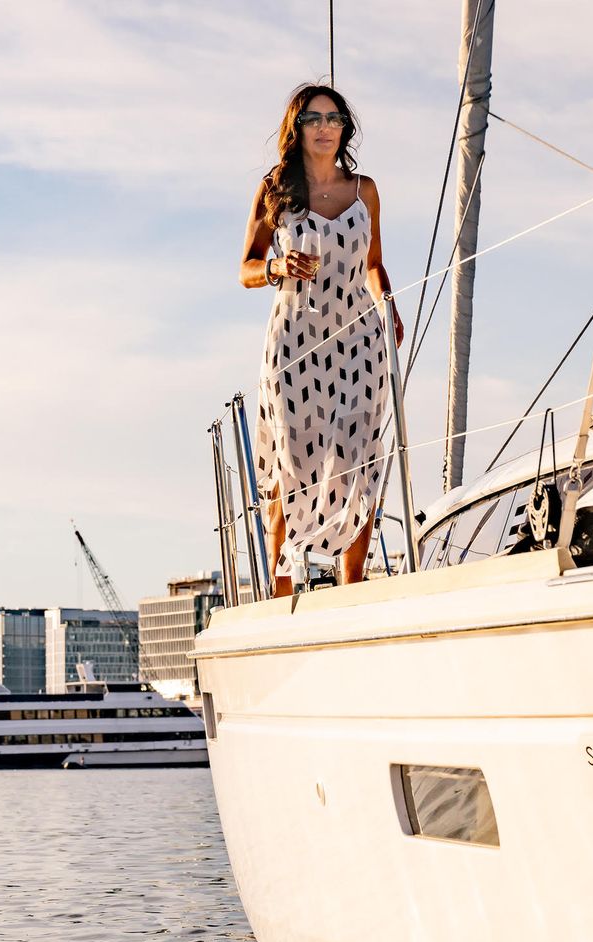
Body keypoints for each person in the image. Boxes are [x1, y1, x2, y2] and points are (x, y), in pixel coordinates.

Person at [239, 83, 402, 597]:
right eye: (313, 119)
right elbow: (245, 267)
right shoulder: (275, 191)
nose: (325, 128)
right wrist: (275, 266)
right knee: (291, 461)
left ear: (344, 128)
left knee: (360, 459)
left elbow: (373, 265)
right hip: (295, 343)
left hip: (358, 341)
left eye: (333, 119)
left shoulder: (365, 190)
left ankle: (351, 587)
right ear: (298, 127)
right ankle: (281, 589)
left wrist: (389, 305)